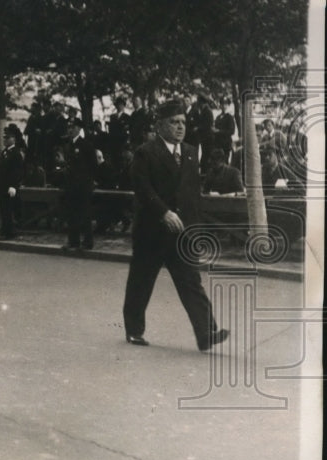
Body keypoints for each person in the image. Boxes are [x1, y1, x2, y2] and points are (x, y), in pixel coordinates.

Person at [122, 99, 229, 351]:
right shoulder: (145, 152)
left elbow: (192, 196)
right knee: (141, 281)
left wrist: (195, 230)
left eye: (183, 122)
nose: (180, 127)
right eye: (174, 122)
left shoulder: (191, 152)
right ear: (160, 126)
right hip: (153, 231)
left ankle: (206, 333)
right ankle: (134, 331)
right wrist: (164, 212)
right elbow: (142, 188)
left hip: (182, 233)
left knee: (191, 282)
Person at [60, 115, 97, 251]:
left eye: (73, 127)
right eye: (69, 127)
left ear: (79, 128)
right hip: (71, 185)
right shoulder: (68, 145)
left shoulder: (85, 145)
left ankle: (87, 242)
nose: (70, 130)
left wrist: (88, 181)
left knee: (85, 214)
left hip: (83, 185)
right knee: (72, 214)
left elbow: (93, 165)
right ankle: (73, 241)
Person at [0, 125, 25, 240]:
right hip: (2, 186)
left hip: (10, 187)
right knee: (4, 210)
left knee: (9, 210)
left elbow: (18, 171)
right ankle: (5, 230)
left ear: (13, 139)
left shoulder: (16, 153)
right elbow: (1, 170)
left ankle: (9, 232)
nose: (5, 140)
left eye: (7, 138)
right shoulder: (4, 152)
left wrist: (13, 185)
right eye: (4, 138)